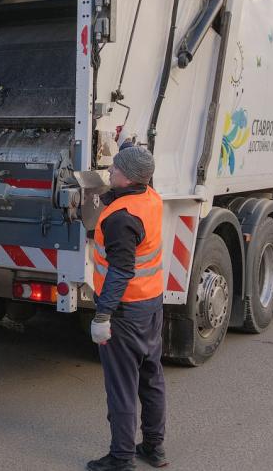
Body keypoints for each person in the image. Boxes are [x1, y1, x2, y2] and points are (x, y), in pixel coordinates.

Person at [87, 145, 168, 471]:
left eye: (115, 169)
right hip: (151, 305)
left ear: (129, 177)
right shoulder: (150, 198)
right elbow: (125, 192)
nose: (110, 173)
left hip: (124, 313)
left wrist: (102, 314)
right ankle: (154, 449)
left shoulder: (121, 221)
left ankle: (121, 459)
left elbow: (121, 271)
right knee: (151, 378)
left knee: (121, 387)